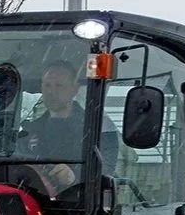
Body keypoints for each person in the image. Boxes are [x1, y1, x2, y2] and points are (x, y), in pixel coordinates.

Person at [18, 59, 118, 194]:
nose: (51, 92)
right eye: (47, 85)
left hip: (80, 204)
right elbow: (17, 162)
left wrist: (74, 176)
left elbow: (105, 168)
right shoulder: (30, 131)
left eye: (59, 86)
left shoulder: (97, 128)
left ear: (74, 89)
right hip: (36, 201)